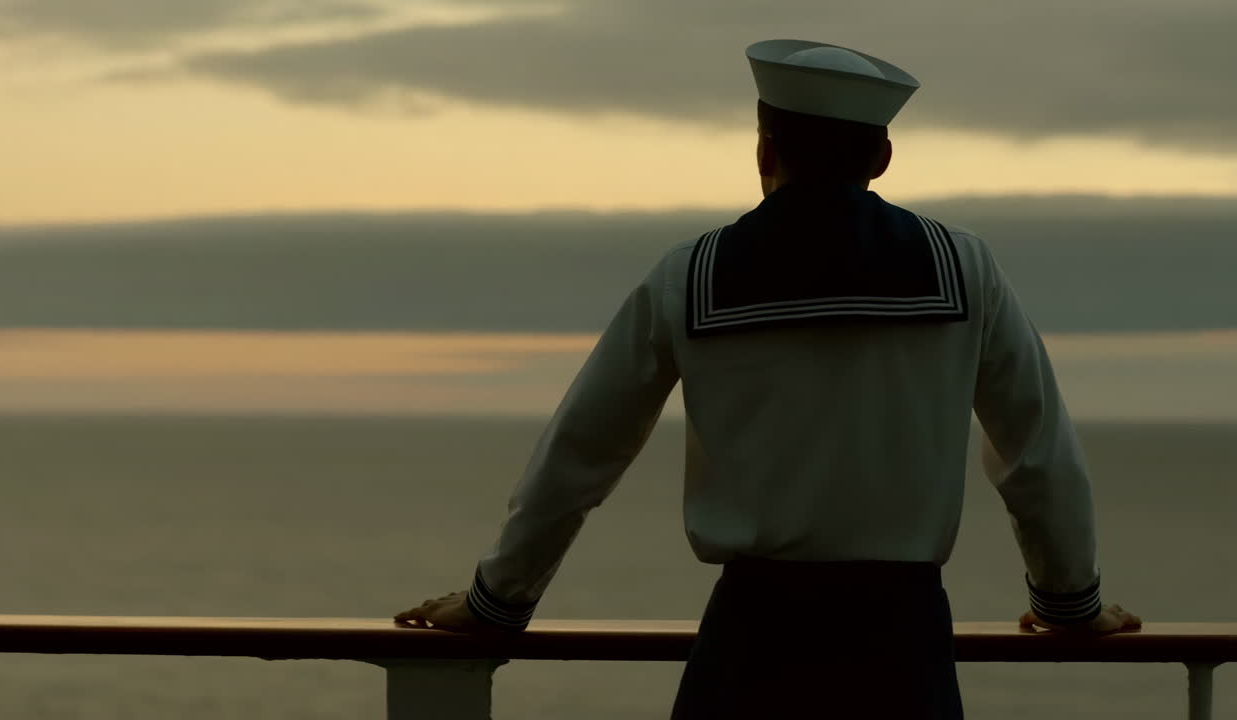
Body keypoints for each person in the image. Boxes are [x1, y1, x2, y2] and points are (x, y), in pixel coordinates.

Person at [395, 39, 1142, 717]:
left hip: (749, 644)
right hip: (903, 647)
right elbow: (1035, 452)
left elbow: (581, 450)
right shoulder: (963, 268)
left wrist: (497, 603)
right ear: (882, 157)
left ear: (765, 148)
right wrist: (1070, 605)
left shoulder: (690, 275)